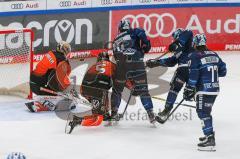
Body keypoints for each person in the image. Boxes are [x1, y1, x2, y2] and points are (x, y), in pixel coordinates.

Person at [183, 34, 226, 151]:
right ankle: (209, 133)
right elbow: (223, 71)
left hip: (203, 89)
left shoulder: (194, 56)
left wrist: (189, 88)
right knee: (206, 111)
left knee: (202, 112)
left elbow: (194, 74)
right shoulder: (214, 54)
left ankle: (210, 138)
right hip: (215, 89)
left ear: (195, 43)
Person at [110, 19, 155, 124]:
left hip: (121, 66)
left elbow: (116, 56)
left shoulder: (115, 39)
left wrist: (129, 78)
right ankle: (150, 113)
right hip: (137, 63)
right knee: (143, 90)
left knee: (117, 90)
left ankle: (114, 112)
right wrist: (143, 51)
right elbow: (146, 42)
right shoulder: (135, 31)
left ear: (120, 28)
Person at [146, 28, 195, 122]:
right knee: (174, 88)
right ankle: (167, 109)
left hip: (193, 69)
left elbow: (189, 32)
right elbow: (171, 62)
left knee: (189, 91)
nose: (173, 40)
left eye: (175, 38)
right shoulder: (178, 51)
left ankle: (201, 101)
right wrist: (156, 63)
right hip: (183, 70)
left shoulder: (188, 44)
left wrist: (177, 43)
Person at [65, 52, 116, 134]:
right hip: (98, 90)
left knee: (104, 96)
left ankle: (104, 114)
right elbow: (119, 79)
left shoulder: (93, 66)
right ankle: (77, 120)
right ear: (107, 58)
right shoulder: (112, 65)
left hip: (86, 89)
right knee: (98, 119)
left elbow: (85, 81)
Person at [25, 41, 74, 112]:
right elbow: (64, 77)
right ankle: (47, 103)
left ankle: (46, 100)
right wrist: (68, 90)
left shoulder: (51, 53)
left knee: (55, 74)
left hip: (33, 84)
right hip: (41, 87)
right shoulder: (61, 59)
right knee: (59, 79)